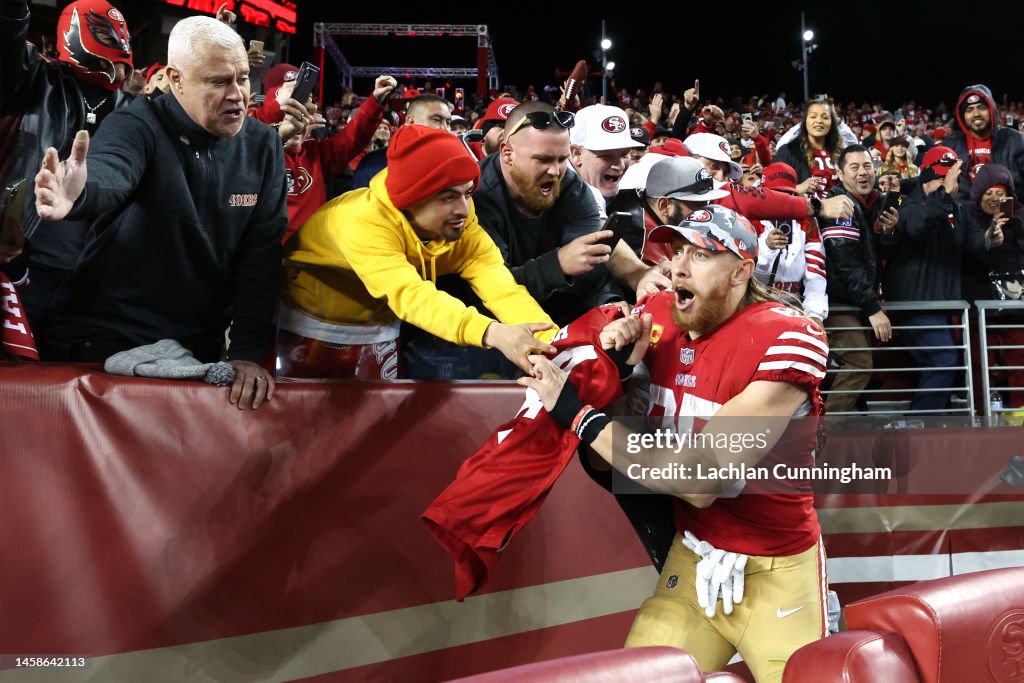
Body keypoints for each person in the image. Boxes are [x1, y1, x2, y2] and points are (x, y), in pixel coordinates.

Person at [520, 204, 830, 682]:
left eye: (702, 254)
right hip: (693, 554)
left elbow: (701, 478)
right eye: (677, 251)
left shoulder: (786, 334)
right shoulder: (656, 320)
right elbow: (613, 465)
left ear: (741, 272)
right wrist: (619, 373)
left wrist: (579, 416)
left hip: (777, 569)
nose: (678, 266)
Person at [33, 15, 286, 410]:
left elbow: (262, 258)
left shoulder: (263, 146)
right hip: (107, 344)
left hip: (196, 350)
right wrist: (78, 196)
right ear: (176, 78)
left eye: (243, 78)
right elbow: (112, 172)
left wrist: (247, 352)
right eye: (219, 82)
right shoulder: (136, 124)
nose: (238, 94)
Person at [279, 124, 556, 379]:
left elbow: (504, 291)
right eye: (448, 197)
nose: (463, 210)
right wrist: (492, 333)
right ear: (411, 199)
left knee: (380, 426)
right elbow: (411, 295)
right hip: (305, 324)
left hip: (378, 325)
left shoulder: (463, 226)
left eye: (468, 193)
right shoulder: (361, 221)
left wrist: (554, 344)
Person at [0, 0, 134, 333]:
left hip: (94, 273)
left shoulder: (130, 107)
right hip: (20, 257)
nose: (119, 42)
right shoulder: (33, 75)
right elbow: (6, 41)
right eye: (107, 31)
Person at [883, 147, 984, 413]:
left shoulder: (957, 208)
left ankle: (930, 425)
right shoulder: (909, 204)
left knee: (947, 364)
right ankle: (921, 427)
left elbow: (974, 246)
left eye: (948, 178)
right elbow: (917, 228)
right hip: (915, 305)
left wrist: (990, 239)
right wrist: (943, 196)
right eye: (939, 177)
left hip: (942, 306)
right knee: (943, 360)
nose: (945, 184)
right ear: (924, 178)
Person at [819, 145, 898, 415]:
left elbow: (869, 257)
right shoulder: (841, 206)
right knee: (860, 364)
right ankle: (820, 438)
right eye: (854, 167)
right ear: (841, 175)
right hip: (838, 304)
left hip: (850, 302)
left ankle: (843, 437)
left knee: (858, 370)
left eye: (867, 166)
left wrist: (886, 233)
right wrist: (872, 307)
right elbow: (846, 265)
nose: (863, 172)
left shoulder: (867, 205)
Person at [272, 74, 395, 243]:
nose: (296, 123)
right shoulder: (253, 155)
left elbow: (353, 137)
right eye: (287, 115)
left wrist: (376, 100)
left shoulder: (317, 154)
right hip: (264, 260)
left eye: (303, 115)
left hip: (308, 260)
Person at [962, 163, 1024, 409]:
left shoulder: (1020, 218)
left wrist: (1011, 230)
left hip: (1015, 306)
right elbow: (968, 252)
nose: (995, 198)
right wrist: (989, 238)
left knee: (1019, 358)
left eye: (1001, 193)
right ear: (977, 196)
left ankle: (1019, 412)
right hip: (978, 307)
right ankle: (981, 413)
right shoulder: (967, 217)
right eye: (988, 193)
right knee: (979, 363)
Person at [351, 93, 452, 188]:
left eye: (448, 122)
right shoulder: (374, 163)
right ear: (411, 121)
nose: (445, 128)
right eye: (436, 119)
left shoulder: (452, 163)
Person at [946, 84, 1024, 197]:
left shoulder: (1016, 141)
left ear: (991, 110)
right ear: (962, 116)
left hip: (1008, 211)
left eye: (982, 108)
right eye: (969, 110)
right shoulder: (949, 148)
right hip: (965, 212)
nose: (976, 114)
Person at [773, 99, 844, 196]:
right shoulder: (789, 151)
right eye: (813, 116)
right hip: (804, 209)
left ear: (832, 123)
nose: (819, 121)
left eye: (825, 117)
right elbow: (771, 187)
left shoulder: (841, 153)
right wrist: (797, 188)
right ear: (805, 121)